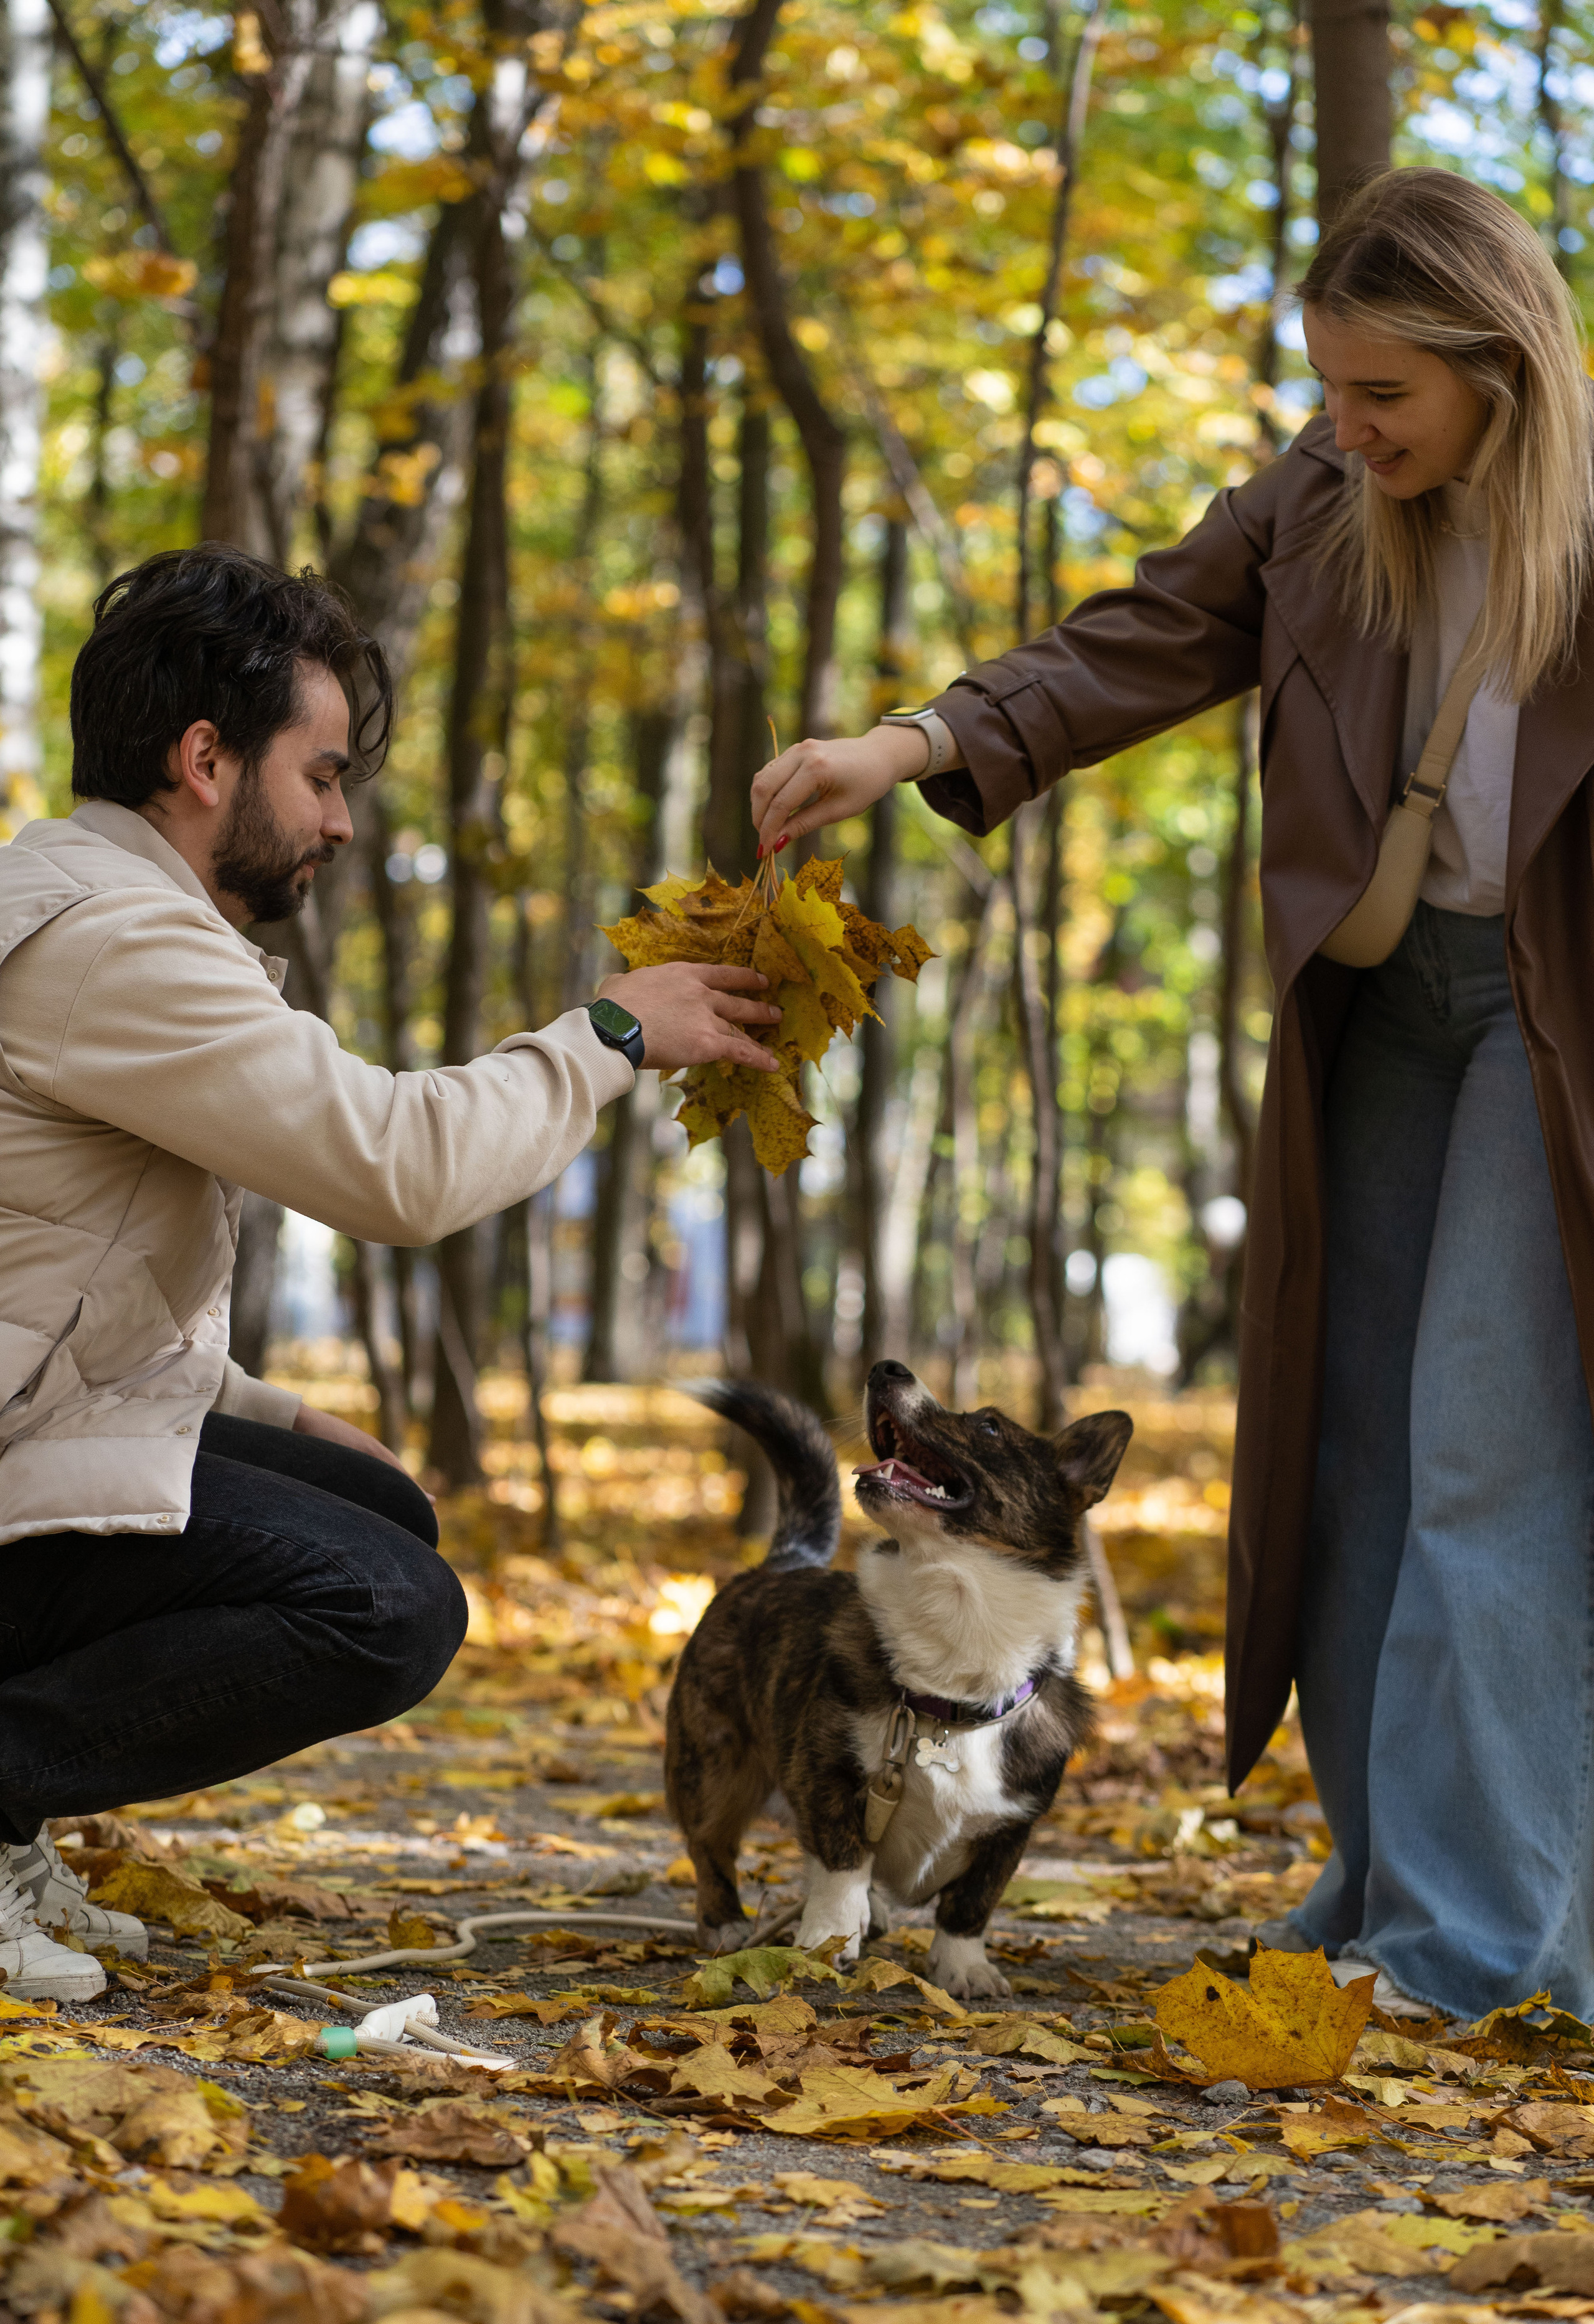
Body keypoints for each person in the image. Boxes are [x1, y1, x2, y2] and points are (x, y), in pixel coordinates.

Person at [752, 167, 1594, 2025]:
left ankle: (1488, 1944)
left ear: (1504, 369)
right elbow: (1139, 636)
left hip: (1561, 1034)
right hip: (1380, 1021)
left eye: (1388, 397)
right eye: (1334, 389)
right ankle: (1385, 1891)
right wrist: (908, 744)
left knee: (1490, 1456)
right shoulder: (1323, 499)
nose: (1350, 429)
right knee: (1357, 1463)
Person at [0, 543, 783, 2002]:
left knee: (369, 1503)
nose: (343, 822)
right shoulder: (113, 944)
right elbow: (395, 1168)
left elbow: (56, 1278)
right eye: (323, 775)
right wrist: (604, 1040)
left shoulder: (90, 908)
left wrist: (276, 1415)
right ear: (205, 762)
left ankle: (14, 1819)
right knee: (384, 1605)